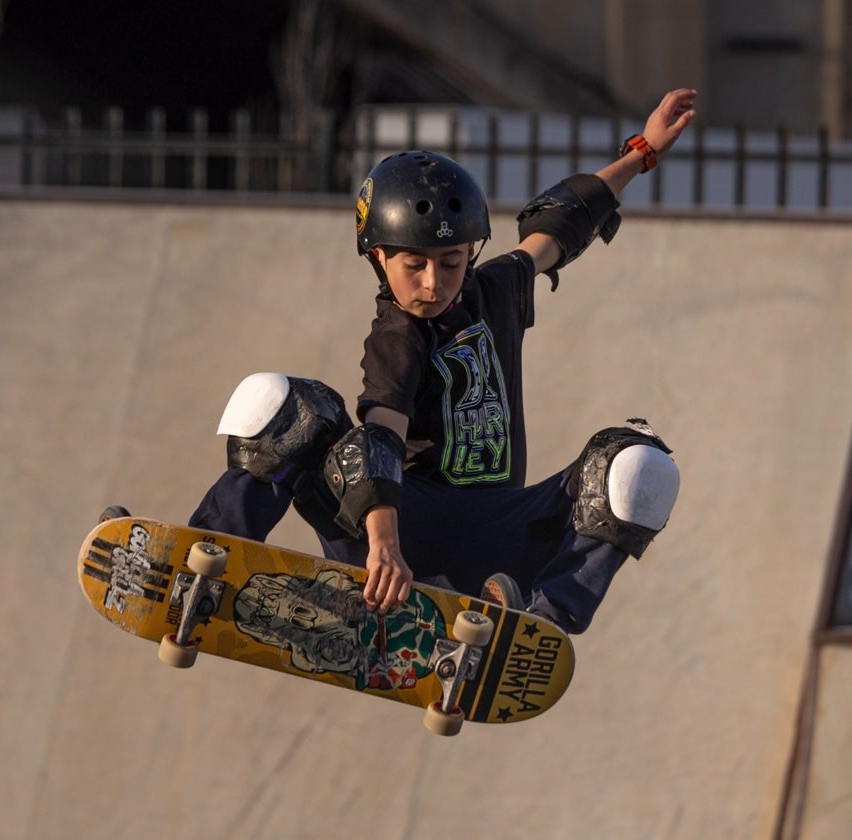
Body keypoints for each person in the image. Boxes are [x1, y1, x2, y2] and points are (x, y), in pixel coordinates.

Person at [181, 89, 697, 633]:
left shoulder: (496, 289)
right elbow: (382, 437)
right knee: (290, 406)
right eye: (415, 265)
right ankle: (207, 561)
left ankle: (535, 628)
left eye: (451, 263)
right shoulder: (396, 336)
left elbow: (565, 222)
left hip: (501, 540)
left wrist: (643, 150)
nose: (434, 283)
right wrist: (384, 545)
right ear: (378, 256)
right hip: (399, 537)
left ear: (470, 253)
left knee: (637, 461)